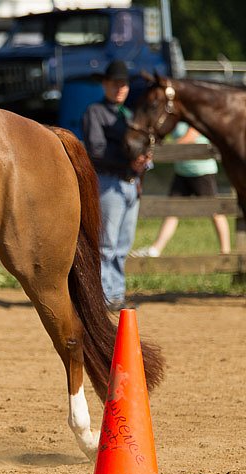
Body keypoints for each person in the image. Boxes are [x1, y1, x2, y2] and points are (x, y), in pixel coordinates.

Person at [82, 60, 152, 312]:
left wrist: (144, 160)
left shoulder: (130, 114)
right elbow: (96, 150)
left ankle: (116, 292)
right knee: (106, 244)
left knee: (123, 243)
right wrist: (129, 160)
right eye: (114, 84)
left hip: (130, 183)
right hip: (109, 182)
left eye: (123, 84)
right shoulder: (95, 112)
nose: (120, 88)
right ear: (105, 84)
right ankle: (102, 294)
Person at [131, 122, 231, 258]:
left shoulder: (194, 117)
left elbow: (191, 137)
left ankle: (226, 253)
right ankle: (155, 250)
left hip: (200, 171)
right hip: (182, 171)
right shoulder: (176, 120)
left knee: (214, 211)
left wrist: (164, 149)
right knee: (172, 211)